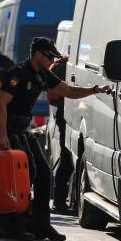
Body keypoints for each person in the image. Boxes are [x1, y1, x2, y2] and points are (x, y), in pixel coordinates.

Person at [0, 37, 111, 241]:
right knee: (25, 174)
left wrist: (94, 90)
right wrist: (3, 135)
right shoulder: (18, 73)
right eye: (50, 57)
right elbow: (1, 104)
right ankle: (15, 225)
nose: (52, 61)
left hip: (23, 128)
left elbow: (68, 91)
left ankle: (42, 226)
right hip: (10, 129)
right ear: (38, 55)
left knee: (43, 173)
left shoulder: (42, 74)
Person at [47, 55, 73, 214]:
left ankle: (60, 201)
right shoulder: (63, 66)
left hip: (65, 114)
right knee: (67, 158)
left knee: (67, 158)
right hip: (66, 116)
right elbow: (53, 96)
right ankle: (59, 202)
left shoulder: (63, 64)